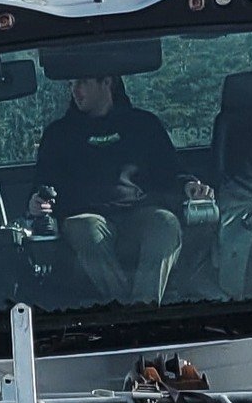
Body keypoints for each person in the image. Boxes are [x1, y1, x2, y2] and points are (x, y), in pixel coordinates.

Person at [29, 74, 212, 305]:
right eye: (71, 84)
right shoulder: (58, 135)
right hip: (86, 216)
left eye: (83, 82)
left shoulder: (144, 125)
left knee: (166, 223)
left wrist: (190, 186)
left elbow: (170, 171)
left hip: (139, 213)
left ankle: (143, 305)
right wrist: (37, 201)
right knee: (86, 228)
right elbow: (43, 185)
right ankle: (128, 311)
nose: (75, 91)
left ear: (107, 82)